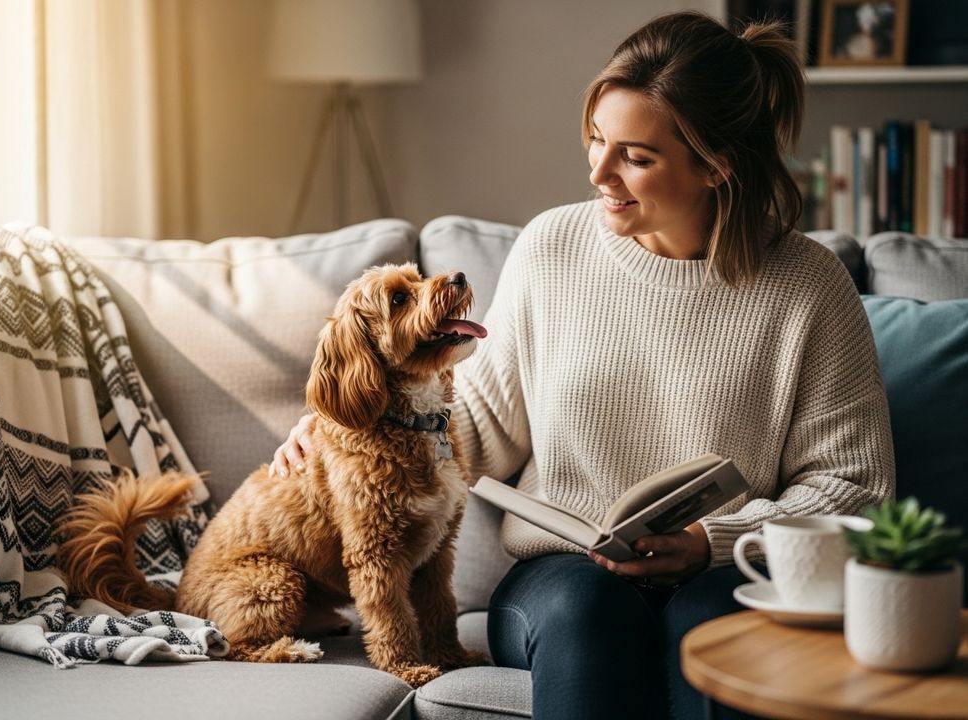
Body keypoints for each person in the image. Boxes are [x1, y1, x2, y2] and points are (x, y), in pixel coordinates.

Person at [271, 10, 895, 720]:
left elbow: (854, 487)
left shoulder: (808, 286)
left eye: (635, 155)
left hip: (723, 571)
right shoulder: (551, 247)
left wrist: (708, 541)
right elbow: (472, 425)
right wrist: (350, 427)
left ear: (715, 165)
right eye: (596, 139)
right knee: (588, 616)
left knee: (712, 636)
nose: (597, 172)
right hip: (561, 577)